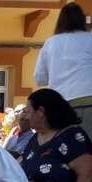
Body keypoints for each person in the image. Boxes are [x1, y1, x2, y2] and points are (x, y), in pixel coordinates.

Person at [34, 2, 92, 137]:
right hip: (89, 99)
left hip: (61, 104)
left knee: (66, 145)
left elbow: (40, 78)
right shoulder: (90, 39)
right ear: (82, 20)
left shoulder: (51, 42)